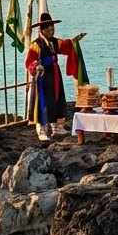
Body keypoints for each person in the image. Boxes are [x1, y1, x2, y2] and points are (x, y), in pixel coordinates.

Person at [24, 12, 87, 141]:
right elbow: (29, 61)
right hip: (43, 75)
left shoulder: (54, 41)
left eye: (53, 27)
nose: (52, 30)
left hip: (55, 73)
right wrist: (36, 67)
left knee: (57, 98)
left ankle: (56, 126)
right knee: (44, 100)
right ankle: (41, 128)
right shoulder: (36, 44)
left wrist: (74, 41)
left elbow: (65, 45)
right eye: (50, 28)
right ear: (43, 29)